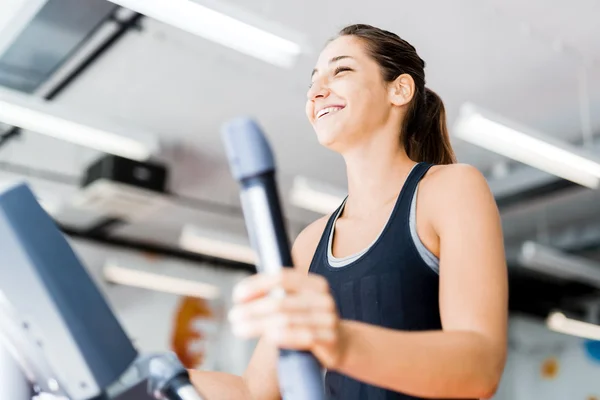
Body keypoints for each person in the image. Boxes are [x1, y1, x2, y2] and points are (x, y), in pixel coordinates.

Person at [189, 23, 508, 399]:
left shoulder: (450, 190)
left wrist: (339, 342)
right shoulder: (311, 243)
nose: (317, 92)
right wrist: (164, 381)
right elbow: (255, 391)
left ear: (399, 89)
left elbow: (480, 367)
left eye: (340, 71)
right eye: (312, 82)